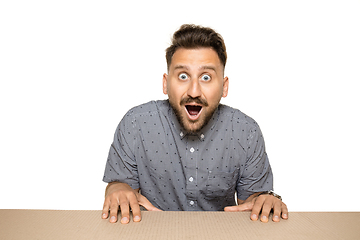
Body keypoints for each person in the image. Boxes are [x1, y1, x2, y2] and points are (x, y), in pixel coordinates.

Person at [101, 24, 288, 224]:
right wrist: (117, 189)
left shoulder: (246, 132)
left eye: (206, 77)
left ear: (224, 87)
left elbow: (252, 204)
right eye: (183, 76)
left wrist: (265, 200)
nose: (194, 91)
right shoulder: (135, 124)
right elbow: (121, 189)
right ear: (165, 83)